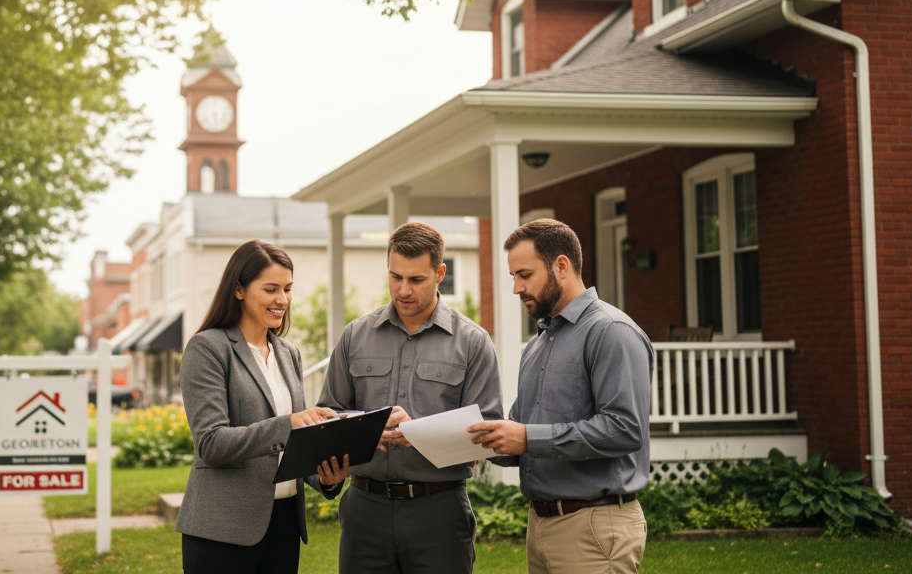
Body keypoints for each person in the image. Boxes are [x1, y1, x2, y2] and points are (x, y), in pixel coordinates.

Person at [317, 222, 511, 574]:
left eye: (416, 280)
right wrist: (338, 456)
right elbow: (328, 414)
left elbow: (487, 434)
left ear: (440, 273)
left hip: (438, 512)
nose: (403, 290)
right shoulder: (354, 336)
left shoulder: (473, 342)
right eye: (395, 277)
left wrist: (419, 432)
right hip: (364, 510)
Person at [468, 218, 653, 574]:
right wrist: (473, 441)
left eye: (525, 275)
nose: (516, 288)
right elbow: (524, 438)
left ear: (561, 266)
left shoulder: (611, 332)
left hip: (595, 529)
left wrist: (525, 438)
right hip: (541, 526)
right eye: (513, 278)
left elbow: (625, 429)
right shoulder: (537, 345)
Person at [177, 240, 350, 574]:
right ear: (239, 290)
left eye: (287, 289)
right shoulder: (208, 349)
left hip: (284, 526)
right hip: (222, 530)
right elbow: (211, 444)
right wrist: (289, 423)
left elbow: (290, 449)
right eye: (270, 289)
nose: (282, 300)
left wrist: (325, 477)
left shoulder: (288, 354)